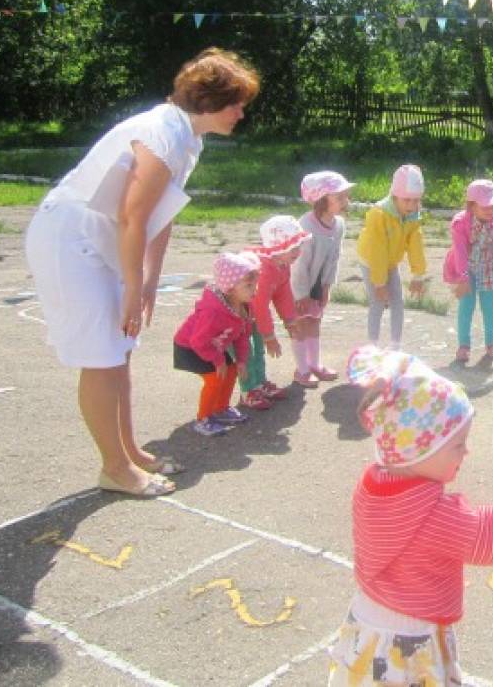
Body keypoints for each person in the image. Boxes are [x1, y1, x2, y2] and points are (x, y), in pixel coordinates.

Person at [24, 47, 259, 496]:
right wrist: (133, 285)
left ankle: (130, 451)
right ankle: (115, 468)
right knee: (102, 357)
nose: (241, 112)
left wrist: (150, 282)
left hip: (104, 241)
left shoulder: (188, 138)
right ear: (207, 102)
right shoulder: (162, 134)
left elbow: (159, 214)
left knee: (121, 349)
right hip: (70, 243)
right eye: (236, 102)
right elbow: (133, 216)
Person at [327, 346, 493, 685]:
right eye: (457, 444)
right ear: (418, 451)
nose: (467, 451)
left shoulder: (371, 485)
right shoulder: (436, 516)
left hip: (366, 625)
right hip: (412, 639)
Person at [173, 252, 260, 437]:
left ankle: (221, 409)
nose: (255, 290)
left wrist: (242, 361)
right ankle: (203, 419)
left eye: (255, 284)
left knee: (231, 371)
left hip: (213, 346)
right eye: (248, 285)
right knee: (214, 378)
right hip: (191, 347)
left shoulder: (245, 305)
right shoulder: (213, 311)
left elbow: (242, 336)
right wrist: (218, 361)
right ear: (230, 288)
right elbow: (198, 340)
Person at [442, 179, 493, 364]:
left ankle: (491, 344)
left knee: (489, 308)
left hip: (489, 268)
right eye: (485, 205)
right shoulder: (460, 222)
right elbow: (460, 251)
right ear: (471, 205)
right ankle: (463, 346)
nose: (490, 209)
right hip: (467, 268)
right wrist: (463, 279)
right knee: (466, 307)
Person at [239, 215, 310, 410]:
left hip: (254, 317)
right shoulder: (264, 269)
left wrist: (290, 319)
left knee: (259, 350)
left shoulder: (282, 265)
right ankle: (247, 391)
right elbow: (259, 305)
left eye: (299, 246)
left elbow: (282, 294)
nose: (298, 252)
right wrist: (269, 335)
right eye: (293, 248)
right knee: (248, 353)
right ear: (278, 247)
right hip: (241, 316)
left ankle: (259, 384)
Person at [291, 171, 355, 386]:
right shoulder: (305, 227)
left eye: (345, 196)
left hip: (318, 283)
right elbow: (299, 265)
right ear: (320, 201)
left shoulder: (338, 225)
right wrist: (301, 295)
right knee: (300, 324)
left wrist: (327, 286)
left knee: (315, 321)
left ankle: (314, 364)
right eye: (339, 197)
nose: (345, 201)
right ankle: (301, 370)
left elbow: (335, 257)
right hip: (298, 285)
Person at [356, 165, 427, 351]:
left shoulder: (413, 214)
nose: (412, 206)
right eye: (407, 200)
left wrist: (418, 275)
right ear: (394, 196)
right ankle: (372, 347)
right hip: (371, 262)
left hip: (390, 262)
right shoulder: (378, 215)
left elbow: (415, 244)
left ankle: (395, 346)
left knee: (398, 302)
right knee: (378, 302)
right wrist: (379, 284)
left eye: (416, 200)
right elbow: (377, 250)